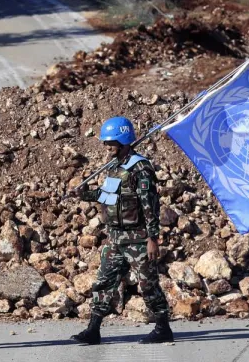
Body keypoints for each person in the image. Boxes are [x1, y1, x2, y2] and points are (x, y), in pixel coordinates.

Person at [70, 116, 172, 345]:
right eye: (106, 143)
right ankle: (93, 329)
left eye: (111, 143)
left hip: (138, 239)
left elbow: (150, 206)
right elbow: (108, 196)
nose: (107, 147)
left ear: (124, 140)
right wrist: (85, 194)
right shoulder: (115, 168)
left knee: (148, 283)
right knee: (104, 281)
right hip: (116, 238)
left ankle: (163, 327)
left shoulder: (140, 167)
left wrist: (152, 239)